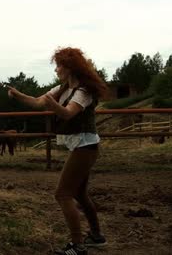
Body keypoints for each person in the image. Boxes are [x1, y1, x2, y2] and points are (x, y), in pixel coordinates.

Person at [7, 47, 108, 255]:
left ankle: (77, 246)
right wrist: (17, 94)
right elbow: (36, 102)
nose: (56, 70)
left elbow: (68, 113)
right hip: (83, 146)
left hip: (85, 146)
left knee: (62, 194)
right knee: (79, 193)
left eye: (59, 66)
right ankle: (96, 237)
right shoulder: (62, 89)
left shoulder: (83, 91)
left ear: (70, 68)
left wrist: (53, 105)